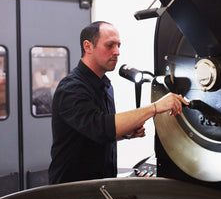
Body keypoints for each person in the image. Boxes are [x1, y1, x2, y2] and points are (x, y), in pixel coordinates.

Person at [48, 20, 188, 184]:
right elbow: (100, 127)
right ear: (88, 47)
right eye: (110, 45)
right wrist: (156, 107)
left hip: (101, 185)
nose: (117, 52)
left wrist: (125, 134)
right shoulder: (71, 89)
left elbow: (93, 133)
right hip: (71, 190)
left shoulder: (105, 85)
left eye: (118, 46)